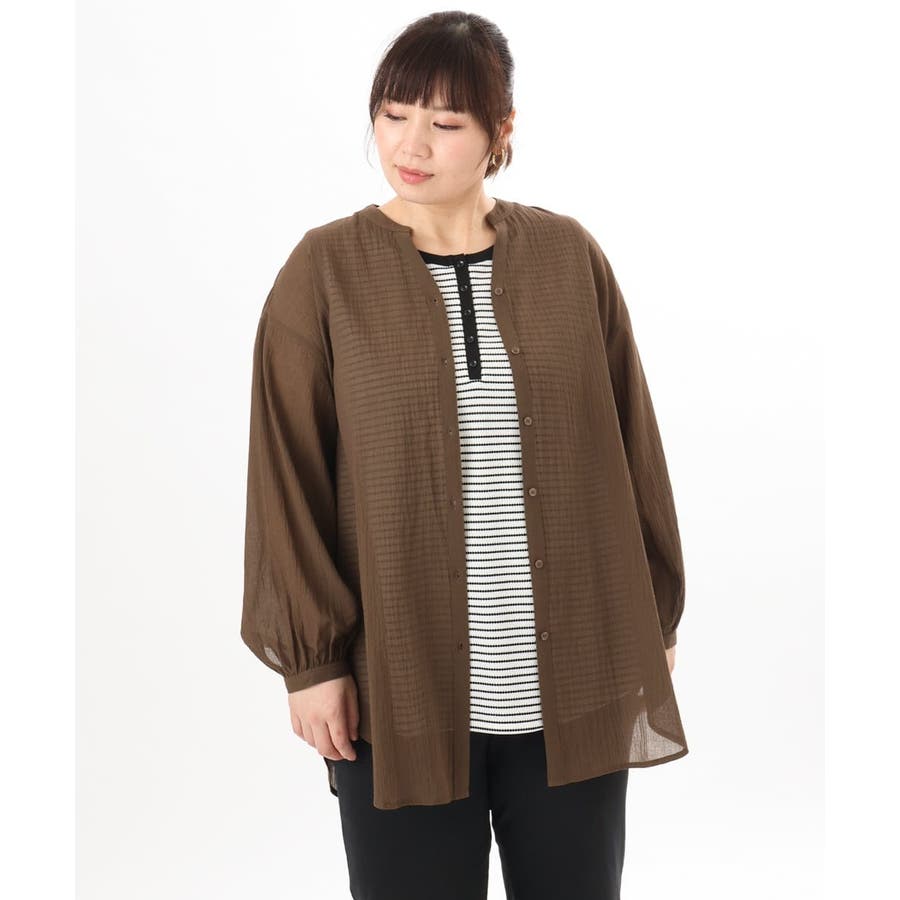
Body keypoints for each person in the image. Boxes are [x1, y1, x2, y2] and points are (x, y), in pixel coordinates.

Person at [241, 11, 688, 900]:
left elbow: (632, 445)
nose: (410, 144)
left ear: (500, 131)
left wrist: (655, 616)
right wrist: (312, 663)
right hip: (399, 695)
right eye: (393, 114)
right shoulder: (324, 272)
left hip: (574, 683)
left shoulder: (568, 256)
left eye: (445, 123)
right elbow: (285, 475)